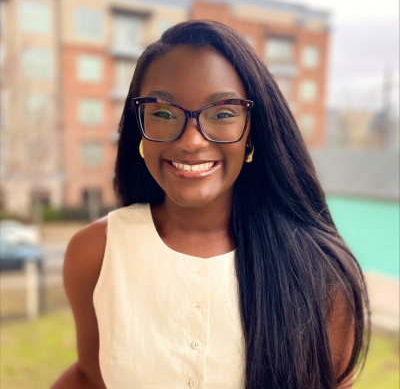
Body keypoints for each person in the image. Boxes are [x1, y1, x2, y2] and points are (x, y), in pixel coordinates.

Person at [51, 20, 370, 389]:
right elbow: (90, 377)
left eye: (221, 113)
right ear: (140, 129)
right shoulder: (95, 253)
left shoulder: (321, 275)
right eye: (163, 113)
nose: (190, 141)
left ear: (252, 131)